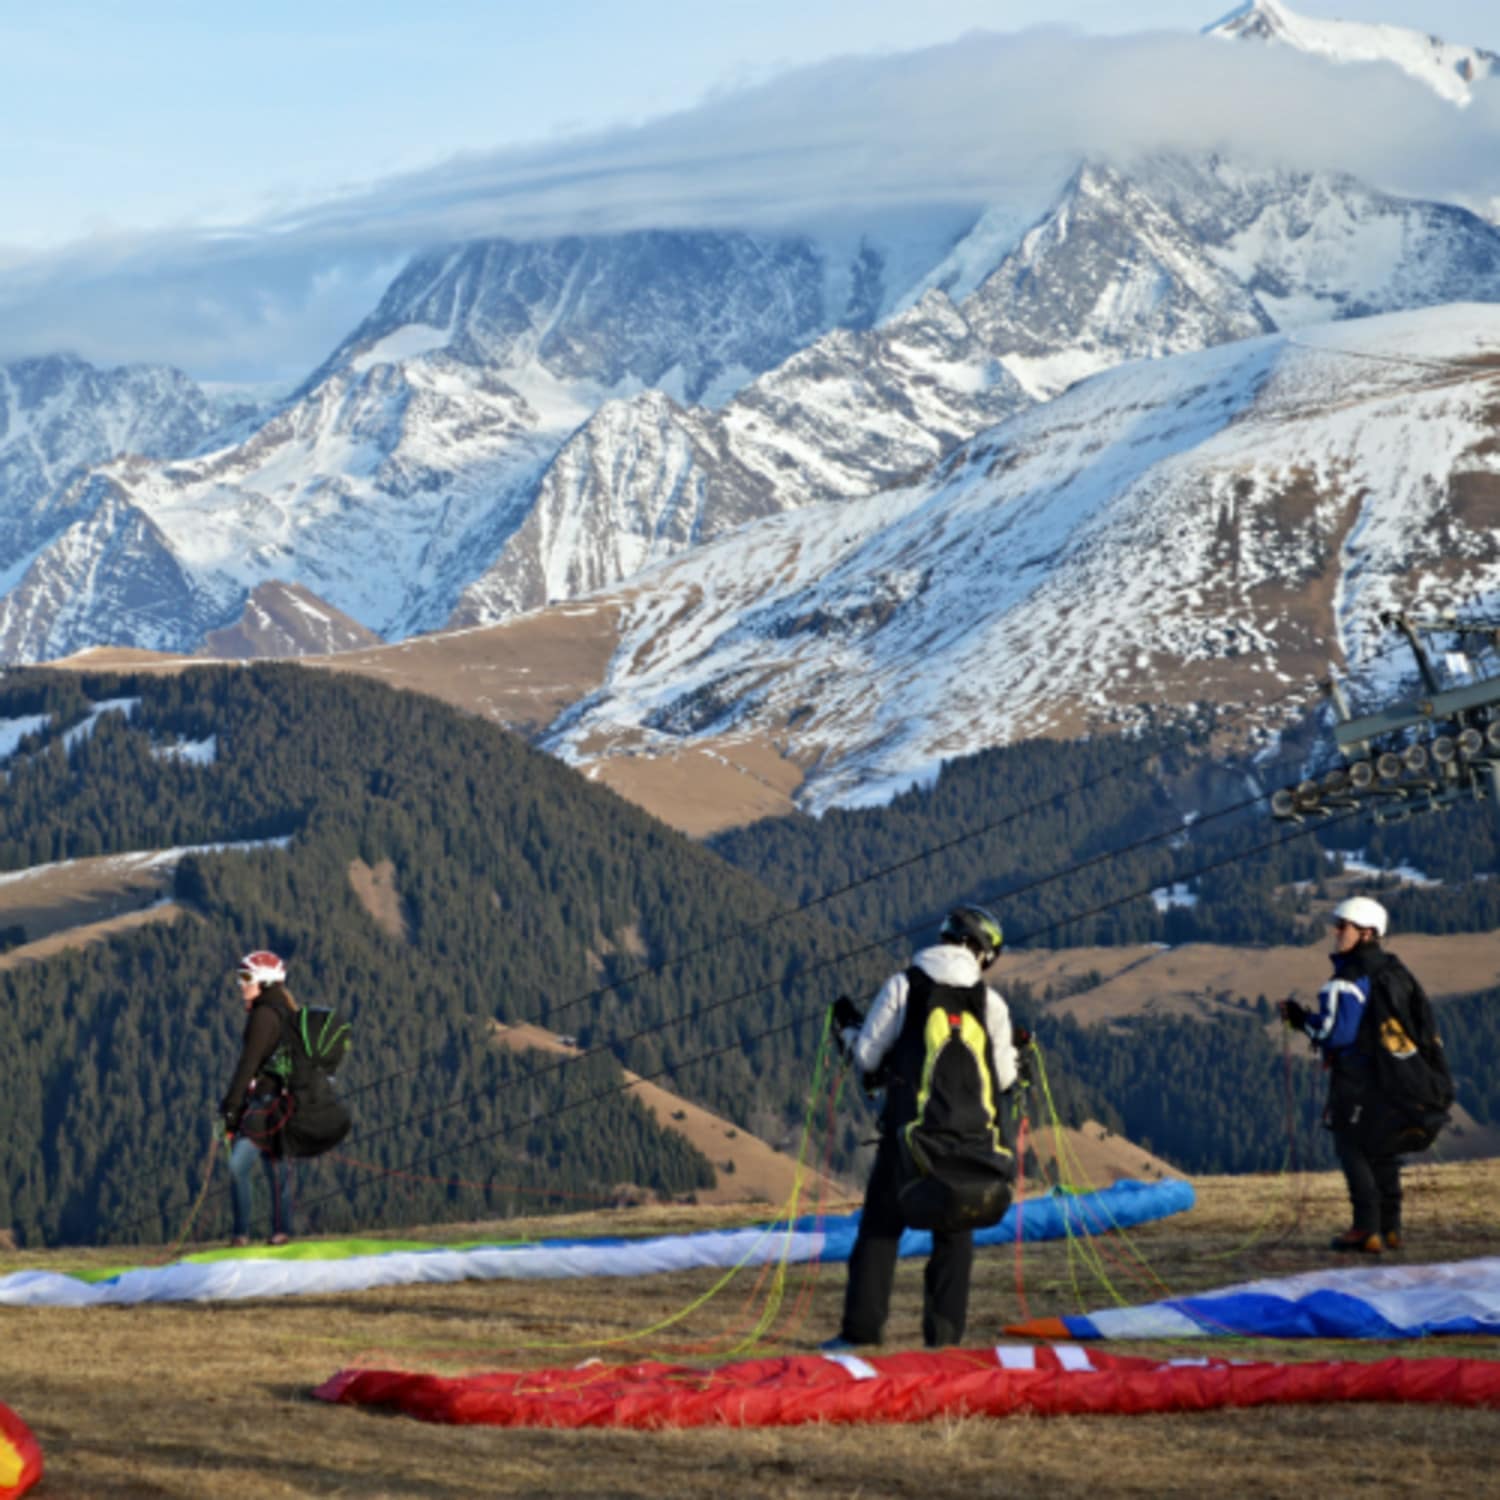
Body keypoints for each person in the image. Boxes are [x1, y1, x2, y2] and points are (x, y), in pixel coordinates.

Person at [824, 904, 1020, 1350]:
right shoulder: (991, 1003)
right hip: (971, 1141)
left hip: (907, 1136)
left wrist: (849, 1031)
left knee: (880, 1228)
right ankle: (945, 1342)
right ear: (983, 952)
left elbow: (867, 1057)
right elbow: (1006, 1078)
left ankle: (862, 1334)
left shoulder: (904, 985)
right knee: (955, 1233)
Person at [1279, 896, 1450, 1255]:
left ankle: (1365, 1228)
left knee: (1351, 1147)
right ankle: (1391, 1229)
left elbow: (1336, 1033)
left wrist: (1300, 1021)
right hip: (1396, 1078)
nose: (1336, 932)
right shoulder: (1395, 972)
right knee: (1384, 1151)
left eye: (1344, 926)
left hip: (1358, 1080)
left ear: (1367, 933)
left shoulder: (1349, 978)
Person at [220, 950, 298, 1246]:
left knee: (239, 1165)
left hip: (265, 1105)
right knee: (276, 1168)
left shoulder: (264, 1016)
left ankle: (241, 1234)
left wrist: (230, 1108)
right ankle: (281, 1232)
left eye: (245, 978)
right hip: (284, 1103)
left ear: (263, 981)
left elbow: (248, 1065)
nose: (241, 985)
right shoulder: (285, 1013)